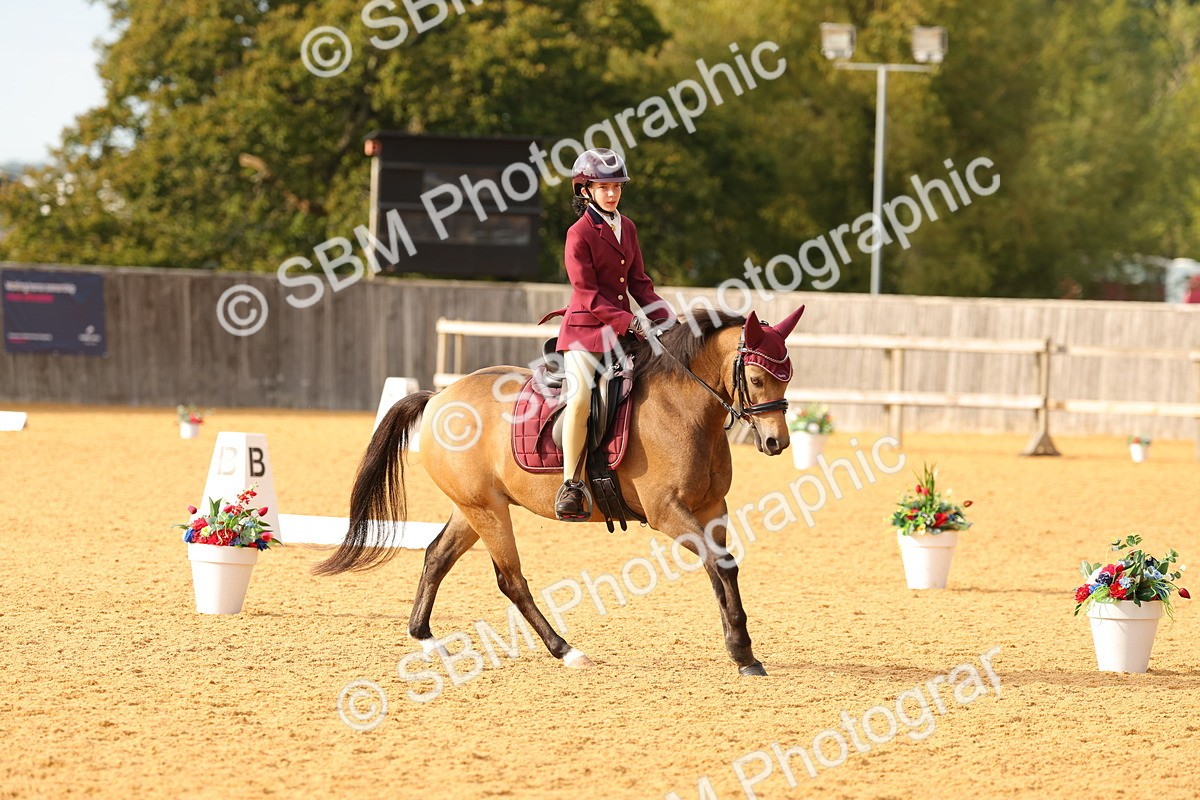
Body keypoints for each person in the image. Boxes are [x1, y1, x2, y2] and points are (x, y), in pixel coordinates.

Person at [546, 148, 675, 521]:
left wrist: (669, 320)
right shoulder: (579, 234)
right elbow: (586, 295)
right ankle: (571, 483)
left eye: (616, 186)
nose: (612, 193)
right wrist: (629, 322)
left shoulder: (628, 227)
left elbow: (640, 283)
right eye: (603, 187)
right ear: (585, 190)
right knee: (581, 398)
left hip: (623, 331)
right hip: (586, 333)